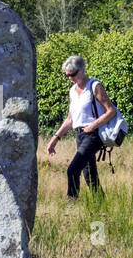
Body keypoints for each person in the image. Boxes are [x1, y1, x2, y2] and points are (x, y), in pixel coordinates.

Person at [45, 55, 118, 199]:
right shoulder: (72, 91)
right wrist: (55, 138)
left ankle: (71, 204)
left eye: (73, 74)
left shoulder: (94, 86)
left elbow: (111, 111)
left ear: (82, 70)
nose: (70, 77)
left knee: (72, 170)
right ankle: (101, 204)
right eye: (67, 75)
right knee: (89, 173)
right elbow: (70, 119)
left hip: (94, 134)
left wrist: (93, 126)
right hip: (79, 135)